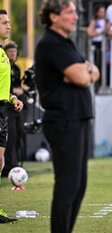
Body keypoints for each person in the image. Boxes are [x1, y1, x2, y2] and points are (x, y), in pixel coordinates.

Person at [35, 1, 100, 232]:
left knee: (79, 186)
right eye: (69, 12)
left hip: (78, 118)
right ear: (54, 16)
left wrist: (84, 70)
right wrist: (84, 71)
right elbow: (83, 78)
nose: (75, 16)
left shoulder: (66, 43)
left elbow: (91, 71)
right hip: (64, 120)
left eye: (75, 12)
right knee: (68, 185)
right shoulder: (51, 44)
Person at [0, 9, 24, 224]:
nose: (9, 26)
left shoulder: (2, 53)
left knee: (0, 160)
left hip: (3, 108)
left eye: (9, 22)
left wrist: (11, 98)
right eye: (4, 23)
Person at [3, 41, 26, 176]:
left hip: (17, 103)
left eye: (14, 51)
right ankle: (8, 166)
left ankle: (16, 163)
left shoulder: (16, 68)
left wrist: (21, 91)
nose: (12, 54)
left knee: (19, 132)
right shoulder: (3, 66)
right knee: (10, 134)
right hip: (7, 104)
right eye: (10, 51)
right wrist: (13, 91)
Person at [87, 5, 109, 92]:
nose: (102, 14)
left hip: (106, 46)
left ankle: (104, 84)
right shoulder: (94, 21)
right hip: (97, 45)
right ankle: (96, 85)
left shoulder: (107, 21)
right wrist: (101, 32)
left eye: (103, 12)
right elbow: (90, 33)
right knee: (97, 64)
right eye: (100, 12)